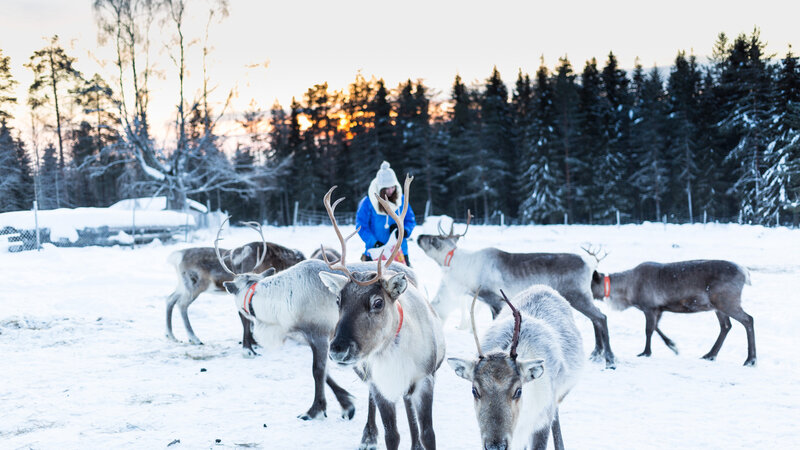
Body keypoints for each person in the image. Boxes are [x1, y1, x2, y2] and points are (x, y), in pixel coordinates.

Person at [356, 161, 416, 266]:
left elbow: (410, 220)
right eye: (387, 188)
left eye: (393, 187)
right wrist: (373, 242)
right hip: (375, 252)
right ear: (380, 188)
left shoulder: (401, 200)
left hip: (399, 251)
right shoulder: (368, 203)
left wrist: (404, 231)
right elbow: (361, 226)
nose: (390, 191)